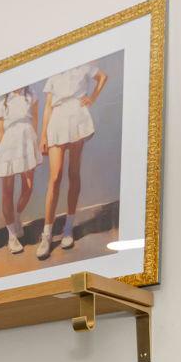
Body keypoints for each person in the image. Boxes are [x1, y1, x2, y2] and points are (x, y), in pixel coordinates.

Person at [36, 60, 107, 260]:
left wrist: (92, 97)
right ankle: (47, 234)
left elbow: (103, 77)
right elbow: (48, 106)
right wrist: (43, 136)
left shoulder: (84, 65)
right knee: (55, 176)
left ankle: (68, 227)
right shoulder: (54, 72)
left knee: (73, 173)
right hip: (57, 120)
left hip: (77, 117)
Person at [0, 87, 41, 255]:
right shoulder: (2, 104)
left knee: (29, 187)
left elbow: (35, 121)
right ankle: (11, 235)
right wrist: (4, 153)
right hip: (9, 145)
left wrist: (34, 143)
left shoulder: (32, 95)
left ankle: (17, 216)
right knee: (7, 192)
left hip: (27, 141)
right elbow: (0, 132)